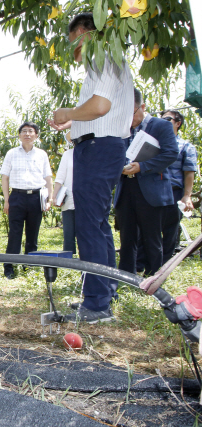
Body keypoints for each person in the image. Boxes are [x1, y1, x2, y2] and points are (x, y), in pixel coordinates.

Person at [48, 12, 134, 323]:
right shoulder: (111, 60)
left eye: (74, 43)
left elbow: (100, 106)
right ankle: (102, 292)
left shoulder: (103, 55)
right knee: (97, 224)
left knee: (88, 224)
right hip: (102, 145)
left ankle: (97, 304)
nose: (74, 52)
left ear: (85, 33)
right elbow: (102, 111)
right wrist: (73, 121)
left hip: (99, 149)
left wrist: (65, 111)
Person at [114, 88, 178, 277]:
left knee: (151, 236)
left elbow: (170, 153)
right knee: (127, 236)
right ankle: (126, 273)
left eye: (131, 113)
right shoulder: (122, 130)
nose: (128, 118)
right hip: (126, 187)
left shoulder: (160, 126)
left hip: (150, 187)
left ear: (142, 106)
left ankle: (153, 275)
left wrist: (142, 166)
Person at [0, 121, 53, 279]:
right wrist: (7, 200)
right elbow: (5, 177)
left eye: (31, 131)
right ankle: (9, 267)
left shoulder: (42, 154)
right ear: (19, 135)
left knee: (33, 234)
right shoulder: (11, 153)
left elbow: (48, 177)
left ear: (36, 135)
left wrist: (50, 199)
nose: (27, 134)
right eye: (24, 131)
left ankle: (29, 265)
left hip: (36, 197)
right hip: (17, 196)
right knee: (14, 234)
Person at [161, 109, 198, 261]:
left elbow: (189, 173)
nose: (163, 122)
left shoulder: (185, 147)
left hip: (174, 191)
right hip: (154, 190)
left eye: (168, 119)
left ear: (177, 123)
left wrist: (187, 196)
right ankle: (146, 262)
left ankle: (164, 263)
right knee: (149, 228)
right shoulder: (155, 143)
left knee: (170, 229)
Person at [51, 140, 76, 255]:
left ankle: (86, 264)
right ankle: (69, 265)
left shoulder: (92, 153)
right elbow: (60, 177)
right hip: (70, 199)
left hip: (87, 200)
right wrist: (54, 196)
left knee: (86, 234)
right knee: (69, 233)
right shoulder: (68, 154)